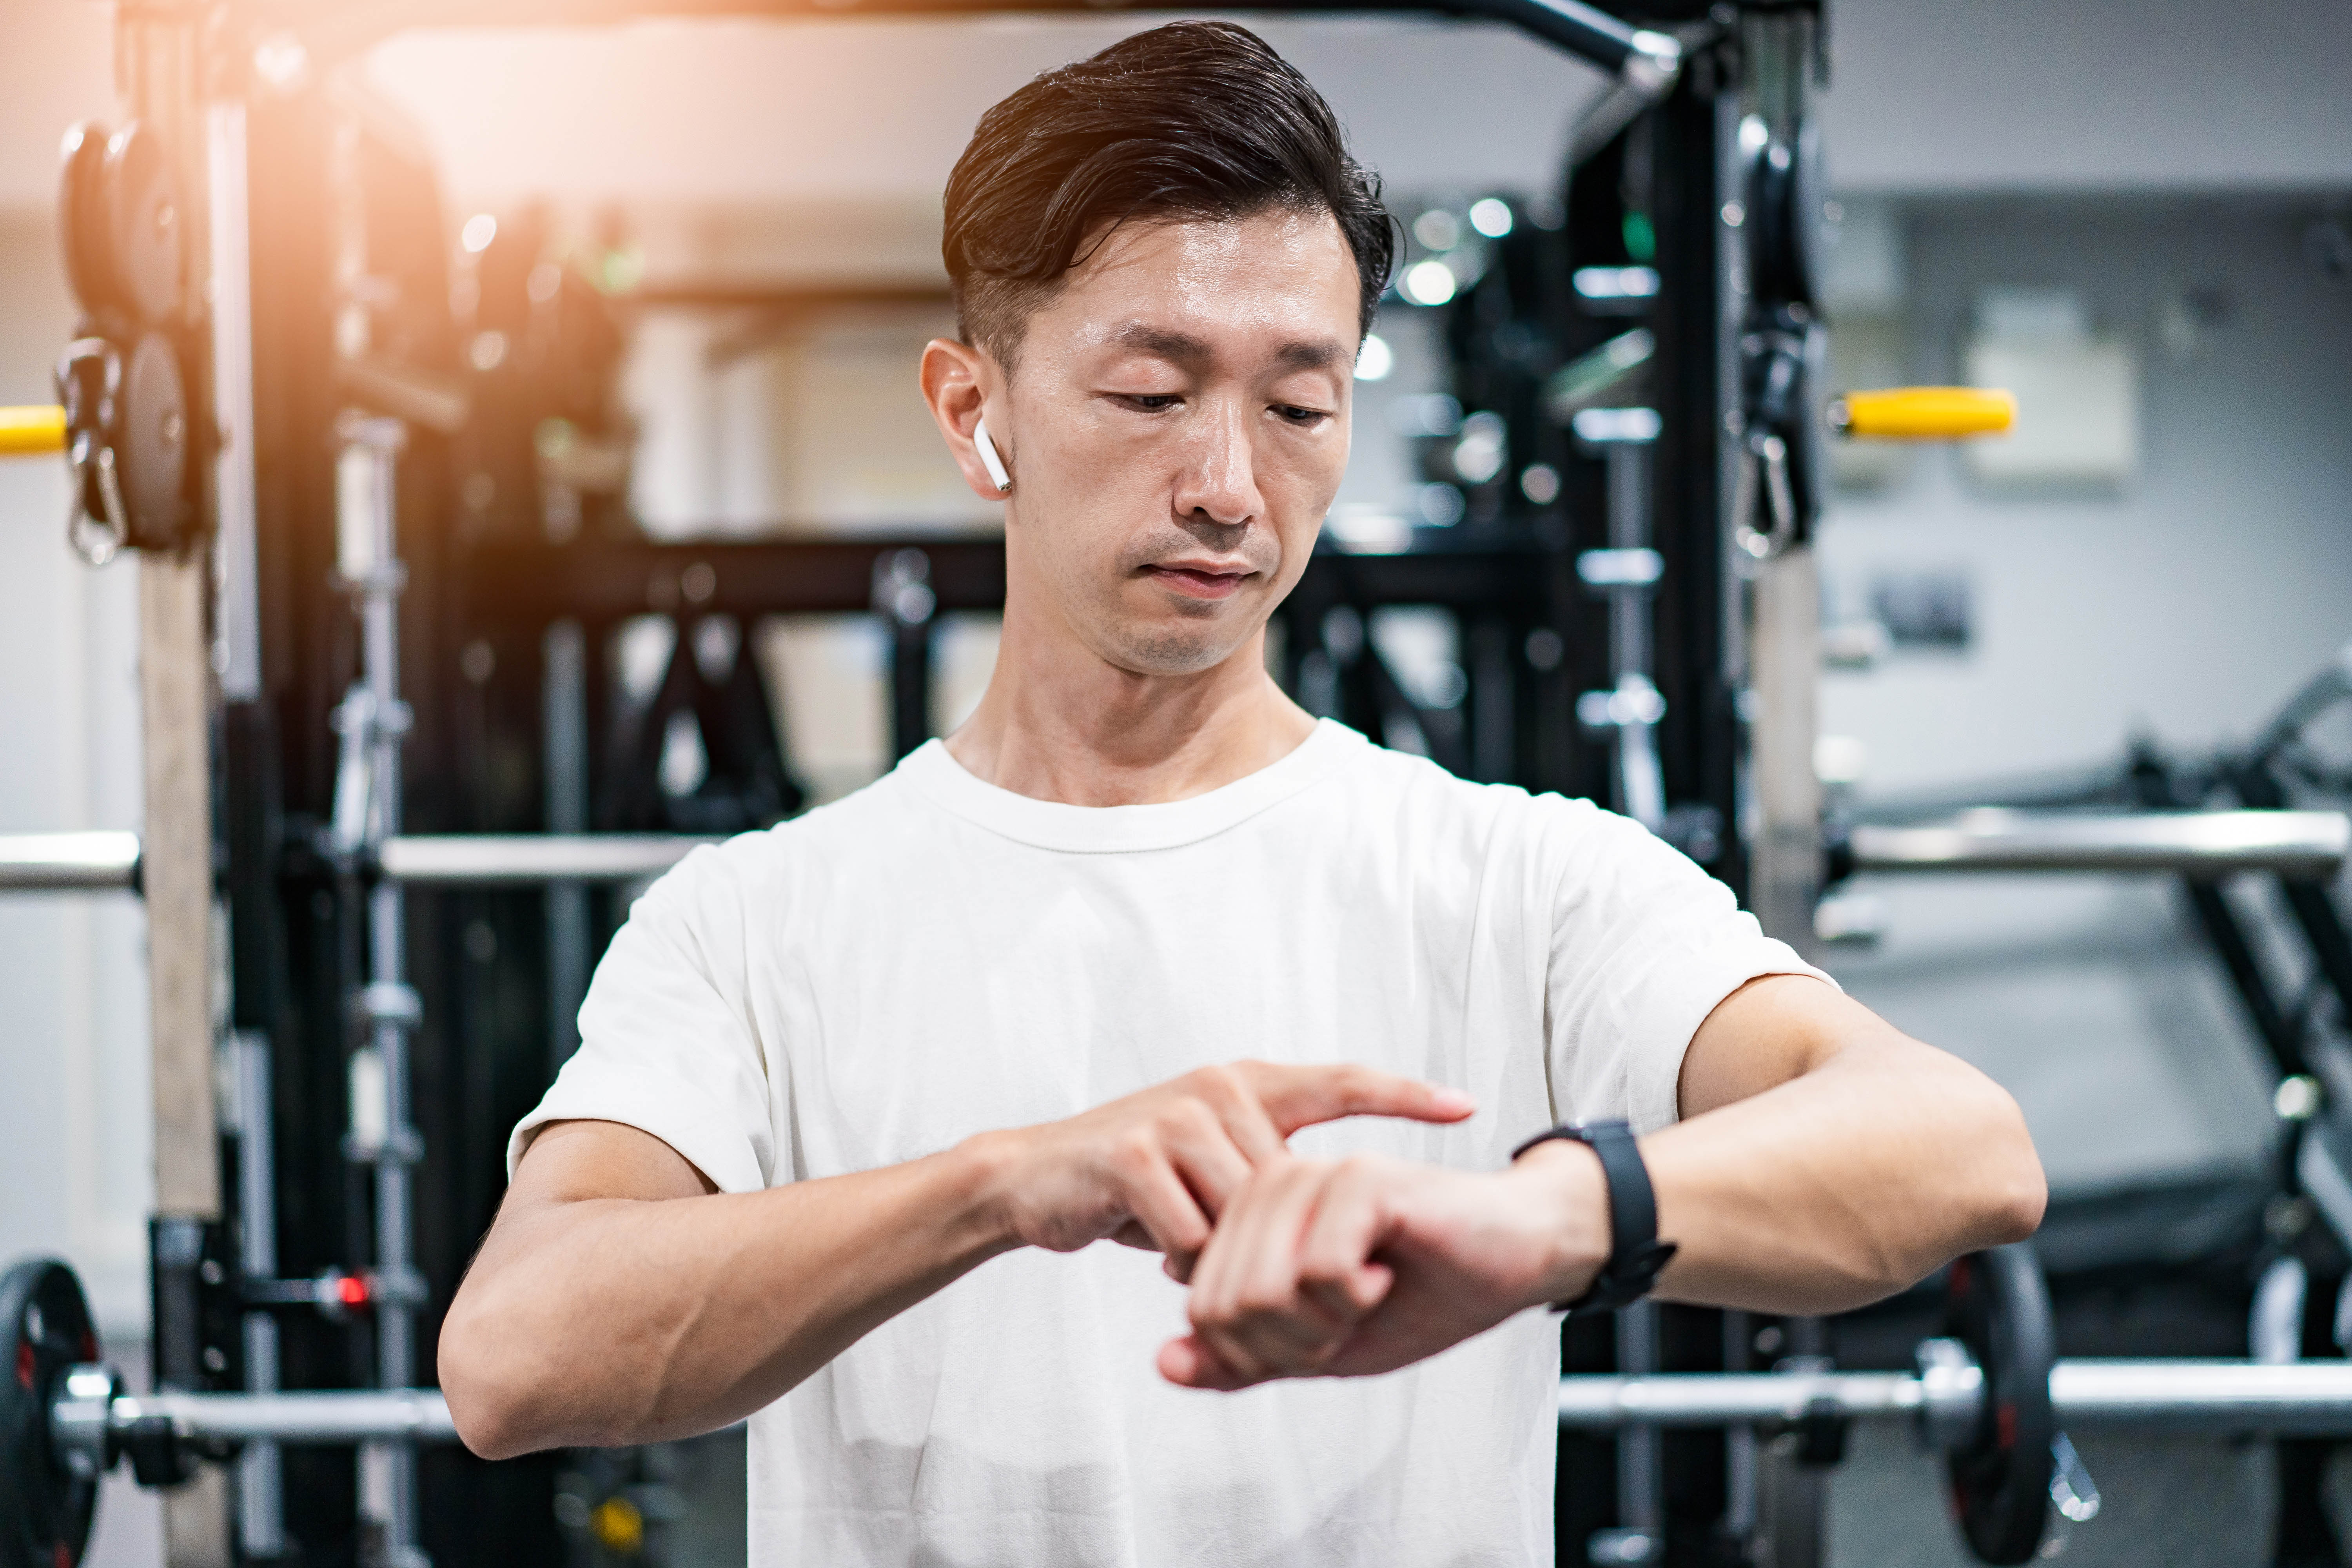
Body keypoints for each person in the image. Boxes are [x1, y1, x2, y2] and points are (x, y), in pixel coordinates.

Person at [439, 21, 2045, 1564]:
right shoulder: (755, 918)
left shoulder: (1511, 876)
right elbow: (515, 1357)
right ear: (970, 409)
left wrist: (1556, 1212)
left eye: (1298, 405)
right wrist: (1007, 1184)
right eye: (1150, 395)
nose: (1227, 483)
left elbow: (1958, 1149)